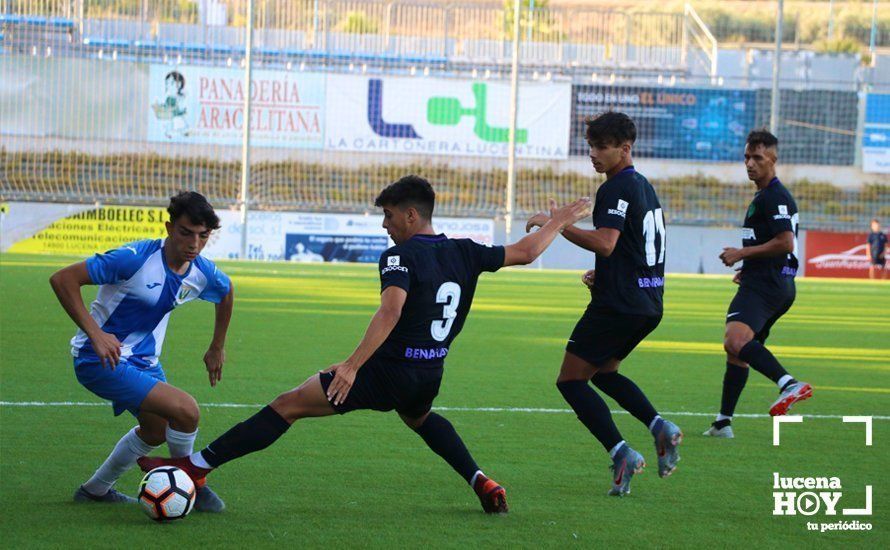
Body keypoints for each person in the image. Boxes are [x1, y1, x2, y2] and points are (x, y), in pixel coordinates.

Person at [138, 176, 591, 514]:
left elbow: (390, 311)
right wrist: (557, 222)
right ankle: (481, 481)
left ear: (412, 215)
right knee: (420, 418)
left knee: (287, 405)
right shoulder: (466, 250)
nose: (385, 226)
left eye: (389, 216)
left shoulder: (399, 256)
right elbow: (528, 252)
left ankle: (195, 467)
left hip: (384, 372)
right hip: (429, 372)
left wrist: (353, 366)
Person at [526, 112, 679, 497]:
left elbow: (607, 242)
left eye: (601, 147)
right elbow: (632, 247)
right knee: (606, 373)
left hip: (620, 305)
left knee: (571, 381)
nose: (593, 154)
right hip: (647, 301)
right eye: (590, 146)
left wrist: (557, 223)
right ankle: (660, 426)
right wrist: (608, 277)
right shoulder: (642, 185)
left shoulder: (613, 188)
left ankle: (621, 453)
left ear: (624, 149)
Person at [50, 191, 233, 511]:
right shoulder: (134, 259)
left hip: (144, 362)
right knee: (186, 410)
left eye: (203, 236)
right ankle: (193, 482)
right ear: (168, 227)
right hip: (98, 358)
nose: (194, 244)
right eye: (186, 233)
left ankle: (95, 490)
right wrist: (96, 334)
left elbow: (226, 292)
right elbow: (63, 279)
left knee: (156, 429)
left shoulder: (201, 271)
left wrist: (217, 345)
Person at [704, 129, 812, 439]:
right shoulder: (764, 195)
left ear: (773, 160)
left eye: (758, 158)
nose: (750, 163)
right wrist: (748, 265)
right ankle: (723, 422)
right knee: (739, 351)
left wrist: (742, 254)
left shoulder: (775, 196)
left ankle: (788, 384)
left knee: (735, 340)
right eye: (747, 157)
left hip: (766, 284)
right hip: (771, 282)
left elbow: (785, 242)